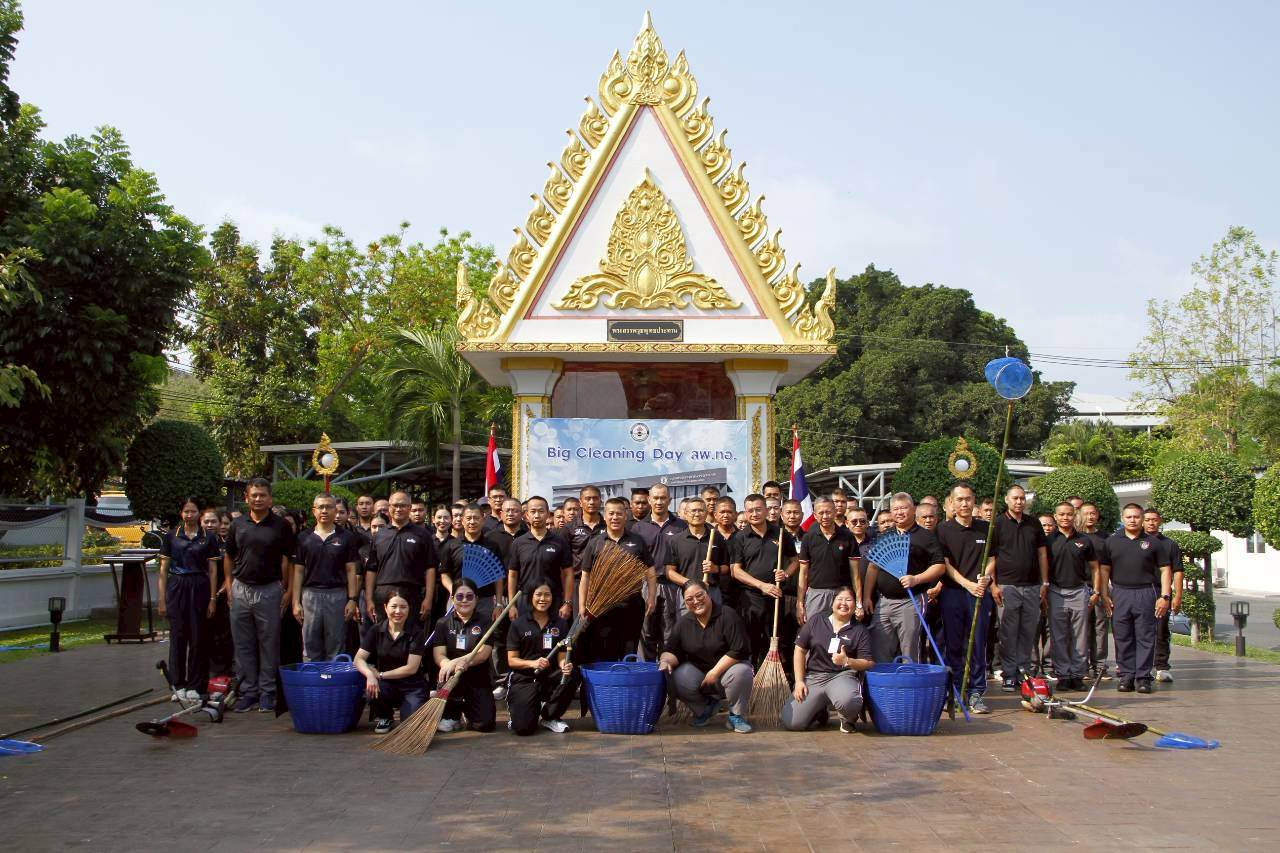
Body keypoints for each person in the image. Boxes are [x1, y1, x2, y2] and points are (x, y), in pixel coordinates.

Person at [223, 478, 296, 712]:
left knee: (269, 643)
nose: (258, 499)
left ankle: (267, 692)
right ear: (246, 498)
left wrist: (288, 590)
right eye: (254, 495)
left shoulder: (280, 526)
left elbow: (290, 560)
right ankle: (249, 691)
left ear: (270, 499)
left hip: (269, 590)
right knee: (242, 644)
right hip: (241, 589)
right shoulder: (237, 525)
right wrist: (229, 586)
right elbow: (228, 556)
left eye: (262, 495)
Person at [659, 581, 755, 733]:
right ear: (685, 603)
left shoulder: (727, 615)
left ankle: (736, 715)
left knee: (743, 672)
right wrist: (665, 661)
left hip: (729, 672)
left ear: (708, 593)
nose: (696, 601)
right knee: (675, 676)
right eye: (689, 599)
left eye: (699, 595)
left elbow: (739, 649)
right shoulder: (683, 623)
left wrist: (714, 672)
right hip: (700, 677)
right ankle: (705, 708)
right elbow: (671, 650)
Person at [861, 492, 946, 663]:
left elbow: (940, 566)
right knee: (881, 648)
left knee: (910, 650)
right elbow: (873, 567)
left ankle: (910, 678)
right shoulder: (884, 535)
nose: (899, 512)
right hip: (883, 602)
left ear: (913, 509)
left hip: (911, 601)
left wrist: (916, 579)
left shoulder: (926, 536)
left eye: (904, 508)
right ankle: (886, 680)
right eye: (895, 509)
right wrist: (867, 596)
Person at [1099, 504, 1172, 694]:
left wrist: (1165, 596)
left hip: (1146, 592)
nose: (1133, 520)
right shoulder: (1111, 542)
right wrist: (1104, 594)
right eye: (1129, 517)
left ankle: (1143, 677)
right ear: (1122, 518)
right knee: (1122, 636)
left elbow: (1165, 569)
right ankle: (1126, 676)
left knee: (1145, 636)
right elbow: (1104, 569)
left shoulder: (1153, 543)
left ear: (1142, 519)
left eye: (1136, 517)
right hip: (1120, 593)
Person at [937, 482, 995, 714]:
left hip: (979, 594)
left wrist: (985, 578)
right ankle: (954, 691)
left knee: (978, 643)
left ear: (974, 501)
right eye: (959, 499)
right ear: (951, 502)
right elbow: (945, 564)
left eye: (968, 499)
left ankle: (976, 692)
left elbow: (992, 558)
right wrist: (967, 584)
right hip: (954, 593)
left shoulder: (986, 528)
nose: (964, 503)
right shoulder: (943, 530)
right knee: (953, 644)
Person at [782, 587, 874, 732]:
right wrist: (799, 681)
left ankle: (847, 719)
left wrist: (847, 661)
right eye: (840, 599)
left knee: (849, 701)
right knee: (792, 722)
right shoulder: (816, 620)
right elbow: (799, 650)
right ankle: (818, 711)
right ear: (832, 603)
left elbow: (868, 662)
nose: (844, 603)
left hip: (843, 676)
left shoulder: (860, 630)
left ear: (855, 605)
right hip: (815, 677)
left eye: (849, 600)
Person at [578, 497, 657, 662]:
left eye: (619, 514)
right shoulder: (595, 543)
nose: (615, 517)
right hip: (603, 606)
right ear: (605, 516)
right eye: (611, 513)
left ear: (626, 515)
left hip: (632, 605)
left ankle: (627, 678)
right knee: (606, 650)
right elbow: (585, 576)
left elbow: (650, 572)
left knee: (629, 650)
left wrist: (651, 597)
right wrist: (582, 605)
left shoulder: (637, 541)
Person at [989, 484, 1049, 691]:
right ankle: (1009, 673)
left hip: (1032, 586)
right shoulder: (997, 524)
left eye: (1022, 498)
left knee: (1028, 632)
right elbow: (991, 557)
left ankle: (1024, 673)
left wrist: (1044, 582)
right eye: (1015, 498)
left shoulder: (1034, 523)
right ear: (1006, 500)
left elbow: (1042, 553)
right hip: (1007, 586)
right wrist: (993, 585)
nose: (1019, 502)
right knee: (1007, 632)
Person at [158, 497, 218, 700]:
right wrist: (162, 599)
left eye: (193, 511)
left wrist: (212, 599)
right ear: (181, 513)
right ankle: (178, 684)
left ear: (199, 513)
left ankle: (195, 684)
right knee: (178, 637)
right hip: (177, 586)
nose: (189, 515)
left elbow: (212, 569)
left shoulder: (208, 537)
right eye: (186, 511)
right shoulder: (171, 536)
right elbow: (163, 570)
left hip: (200, 586)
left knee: (198, 637)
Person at [292, 493, 361, 662]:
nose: (324, 511)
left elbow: (351, 569)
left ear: (335, 510)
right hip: (310, 595)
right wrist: (295, 602)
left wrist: (352, 599)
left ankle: (333, 678)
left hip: (337, 595)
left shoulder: (346, 537)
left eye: (328, 507)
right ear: (314, 510)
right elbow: (298, 571)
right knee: (310, 644)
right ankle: (311, 678)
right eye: (320, 507)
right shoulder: (304, 537)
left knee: (336, 645)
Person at [729, 494, 796, 666]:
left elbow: (795, 561)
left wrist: (786, 574)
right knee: (750, 641)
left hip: (775, 597)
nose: (754, 514)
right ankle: (750, 674)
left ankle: (771, 675)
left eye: (758, 509)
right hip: (750, 598)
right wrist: (761, 585)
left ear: (766, 510)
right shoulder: (739, 537)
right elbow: (735, 571)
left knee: (773, 640)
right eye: (750, 510)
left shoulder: (780, 533)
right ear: (745, 513)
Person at [505, 578, 578, 735]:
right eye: (538, 594)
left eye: (547, 595)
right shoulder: (518, 624)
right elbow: (511, 660)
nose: (543, 599)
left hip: (549, 677)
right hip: (525, 678)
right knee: (523, 728)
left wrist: (564, 665)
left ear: (553, 597)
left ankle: (550, 716)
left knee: (572, 675)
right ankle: (525, 710)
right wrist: (532, 663)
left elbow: (562, 656)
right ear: (531, 596)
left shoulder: (560, 623)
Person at [355, 591, 429, 734]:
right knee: (371, 689)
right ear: (385, 607)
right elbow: (358, 659)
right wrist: (370, 675)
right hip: (387, 685)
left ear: (409, 609)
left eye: (403, 607)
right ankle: (385, 716)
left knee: (409, 729)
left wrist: (380, 675)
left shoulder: (416, 632)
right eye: (393, 606)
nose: (398, 611)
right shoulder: (376, 630)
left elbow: (411, 668)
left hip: (412, 686)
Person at [363, 491, 438, 631]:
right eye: (395, 505)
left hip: (413, 593)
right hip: (383, 593)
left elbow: (430, 568)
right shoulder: (379, 535)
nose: (398, 509)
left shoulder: (422, 535)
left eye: (402, 505)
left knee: (411, 635)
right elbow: (371, 569)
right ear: (389, 507)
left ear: (409, 508)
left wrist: (428, 599)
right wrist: (369, 599)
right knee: (383, 635)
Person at [431, 578, 497, 732]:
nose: (464, 600)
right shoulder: (442, 623)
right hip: (452, 678)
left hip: (478, 678)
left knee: (484, 725)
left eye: (469, 596)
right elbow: (439, 654)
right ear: (452, 598)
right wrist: (449, 665)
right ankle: (452, 715)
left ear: (476, 599)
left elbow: (483, 654)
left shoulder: (486, 622)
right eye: (460, 596)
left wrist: (463, 661)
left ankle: (468, 711)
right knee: (447, 675)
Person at [1046, 501, 1099, 691]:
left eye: (1069, 514)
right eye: (1061, 514)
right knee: (1058, 636)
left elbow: (1095, 567)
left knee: (1080, 636)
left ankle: (1077, 675)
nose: (1065, 518)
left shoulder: (1085, 540)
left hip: (1079, 591)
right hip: (1055, 591)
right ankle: (1063, 675)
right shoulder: (1048, 540)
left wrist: (1096, 591)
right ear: (1055, 516)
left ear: (1074, 516)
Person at [633, 482, 687, 657]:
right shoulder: (638, 527)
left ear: (669, 500)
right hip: (646, 586)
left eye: (663, 498)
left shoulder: (681, 526)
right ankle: (646, 672)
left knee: (670, 633)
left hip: (673, 585)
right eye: (655, 498)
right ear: (649, 500)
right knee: (646, 633)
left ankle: (667, 671)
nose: (659, 502)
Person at [508, 496, 574, 620]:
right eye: (533, 512)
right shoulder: (518, 543)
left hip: (553, 600)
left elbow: (568, 574)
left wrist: (567, 602)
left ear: (548, 514)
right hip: (525, 601)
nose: (537, 515)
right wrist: (511, 605)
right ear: (526, 515)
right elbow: (512, 575)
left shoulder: (559, 542)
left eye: (541, 511)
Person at [797, 497, 861, 624]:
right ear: (815, 515)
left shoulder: (848, 536)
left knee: (843, 631)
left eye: (828, 512)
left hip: (842, 594)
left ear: (835, 512)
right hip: (816, 594)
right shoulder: (808, 538)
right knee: (815, 631)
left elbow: (856, 574)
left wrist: (859, 603)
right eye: (821, 513)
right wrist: (800, 603)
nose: (825, 516)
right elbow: (803, 573)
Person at [1143, 508, 1183, 683]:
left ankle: (1161, 666)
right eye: (1147, 519)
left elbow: (1178, 571)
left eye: (1154, 519)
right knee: (1138, 630)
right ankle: (1139, 666)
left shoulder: (1169, 544)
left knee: (1161, 631)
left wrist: (1177, 596)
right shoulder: (1136, 542)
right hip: (1139, 591)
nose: (1151, 523)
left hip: (1162, 592)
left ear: (1160, 521)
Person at [1080, 502, 1112, 680]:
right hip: (1080, 586)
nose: (1090, 517)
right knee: (1082, 628)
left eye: (1093, 513)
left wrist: (1103, 590)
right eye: (1086, 513)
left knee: (1100, 627)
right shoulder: (1075, 537)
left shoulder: (1106, 538)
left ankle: (1100, 666)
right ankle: (1082, 666)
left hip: (1101, 587)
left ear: (1097, 515)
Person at [203, 508, 234, 679]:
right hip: (204, 593)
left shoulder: (229, 545)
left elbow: (232, 571)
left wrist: (220, 592)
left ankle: (225, 671)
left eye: (226, 523)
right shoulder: (204, 543)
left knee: (224, 634)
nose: (222, 526)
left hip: (224, 594)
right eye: (219, 523)